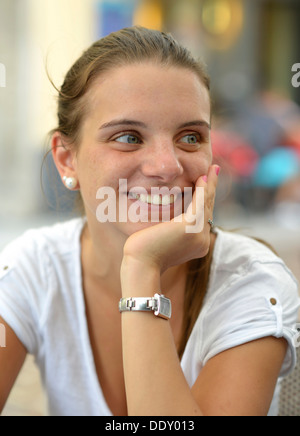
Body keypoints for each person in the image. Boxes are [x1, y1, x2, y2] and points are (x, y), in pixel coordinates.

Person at [0, 27, 299, 417]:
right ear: (66, 159)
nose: (166, 166)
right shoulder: (34, 268)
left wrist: (142, 268)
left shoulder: (252, 281)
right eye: (128, 137)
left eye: (190, 137)